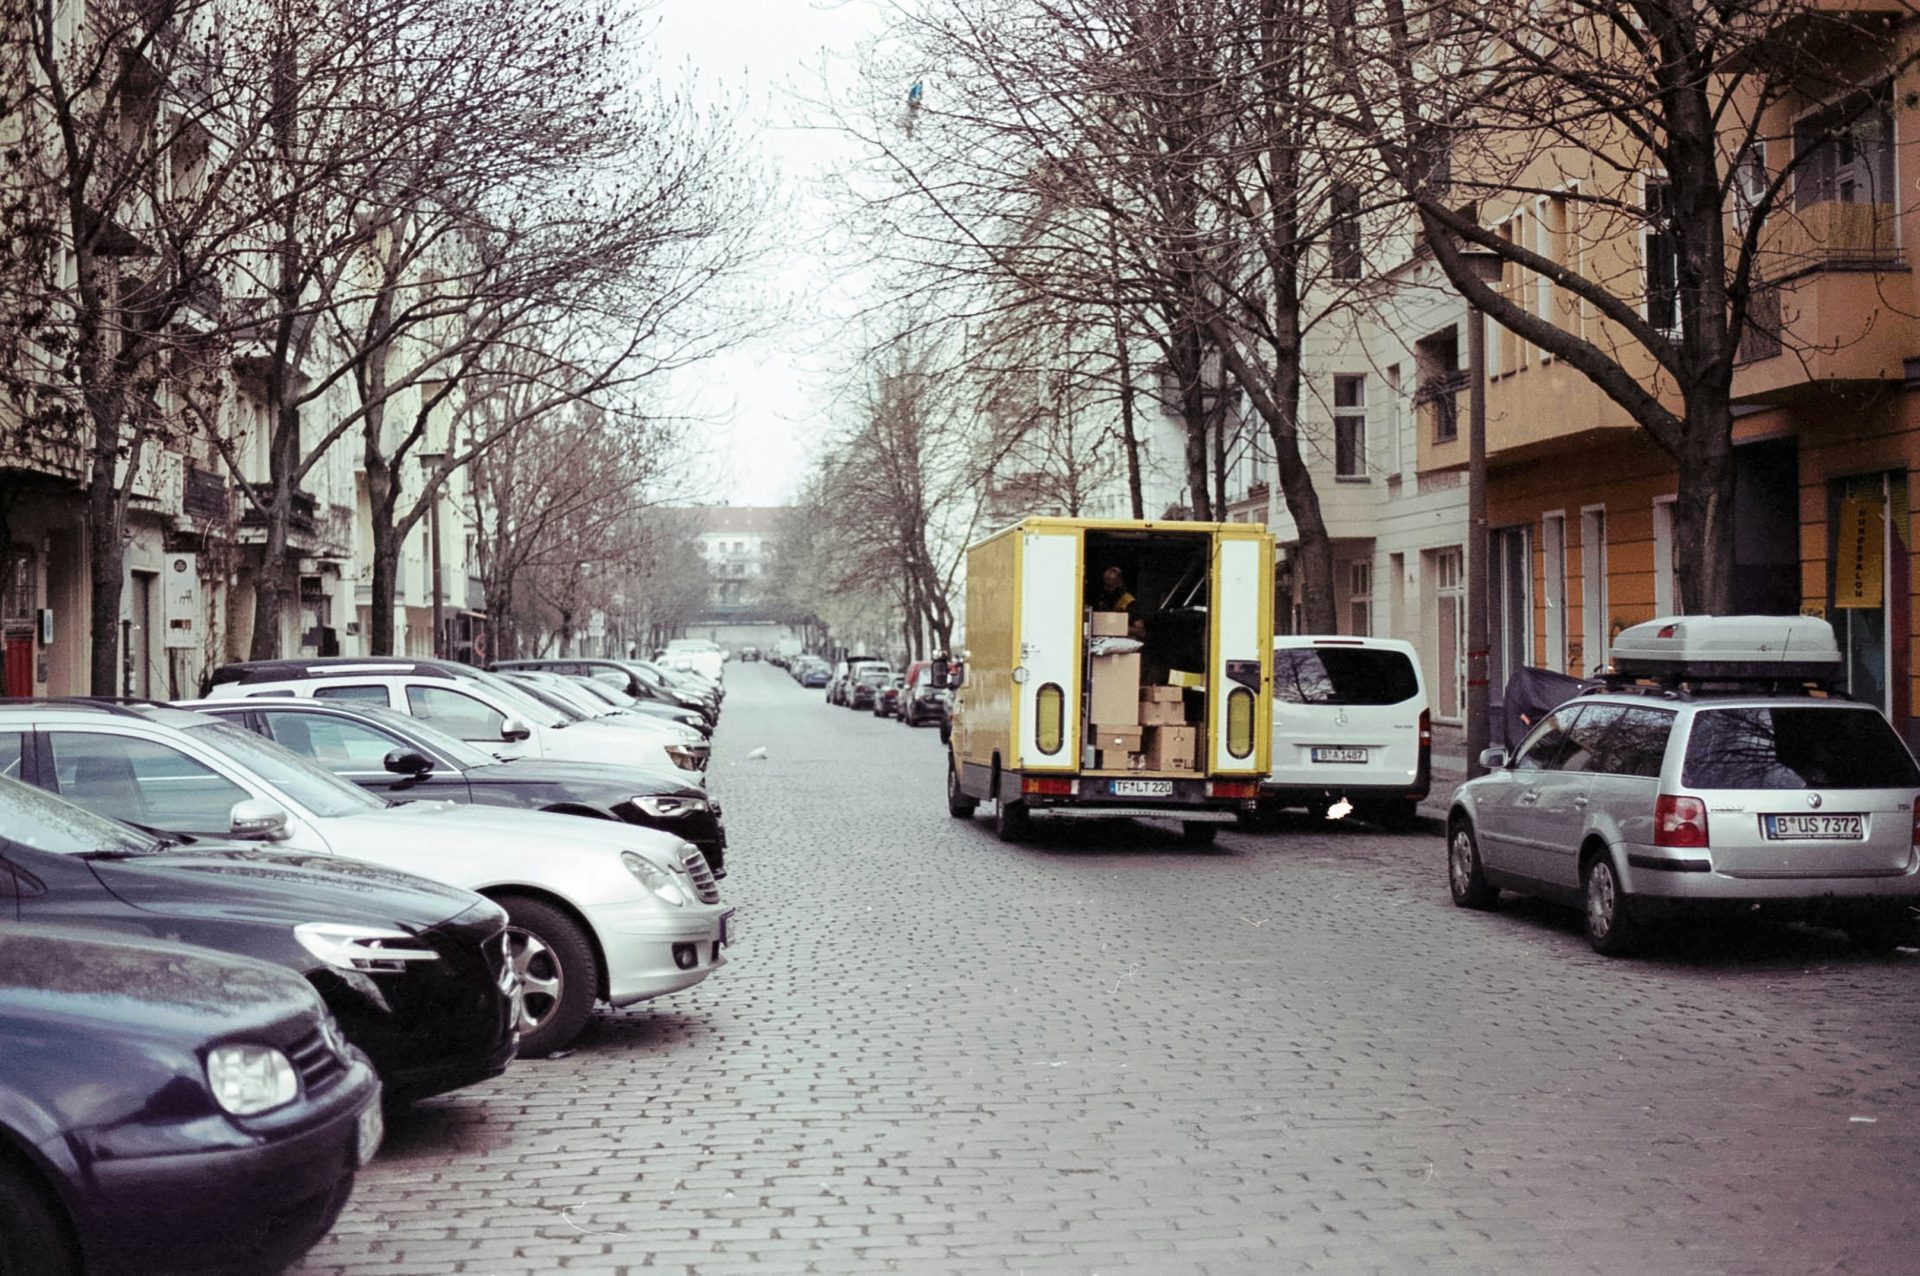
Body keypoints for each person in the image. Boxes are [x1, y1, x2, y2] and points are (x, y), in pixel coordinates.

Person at [1098, 566, 1147, 640]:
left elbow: (1141, 631)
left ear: (1120, 584)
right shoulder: (1105, 602)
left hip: (1125, 642)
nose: (1107, 589)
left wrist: (1118, 628)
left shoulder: (1129, 602)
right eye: (1106, 585)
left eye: (1111, 585)